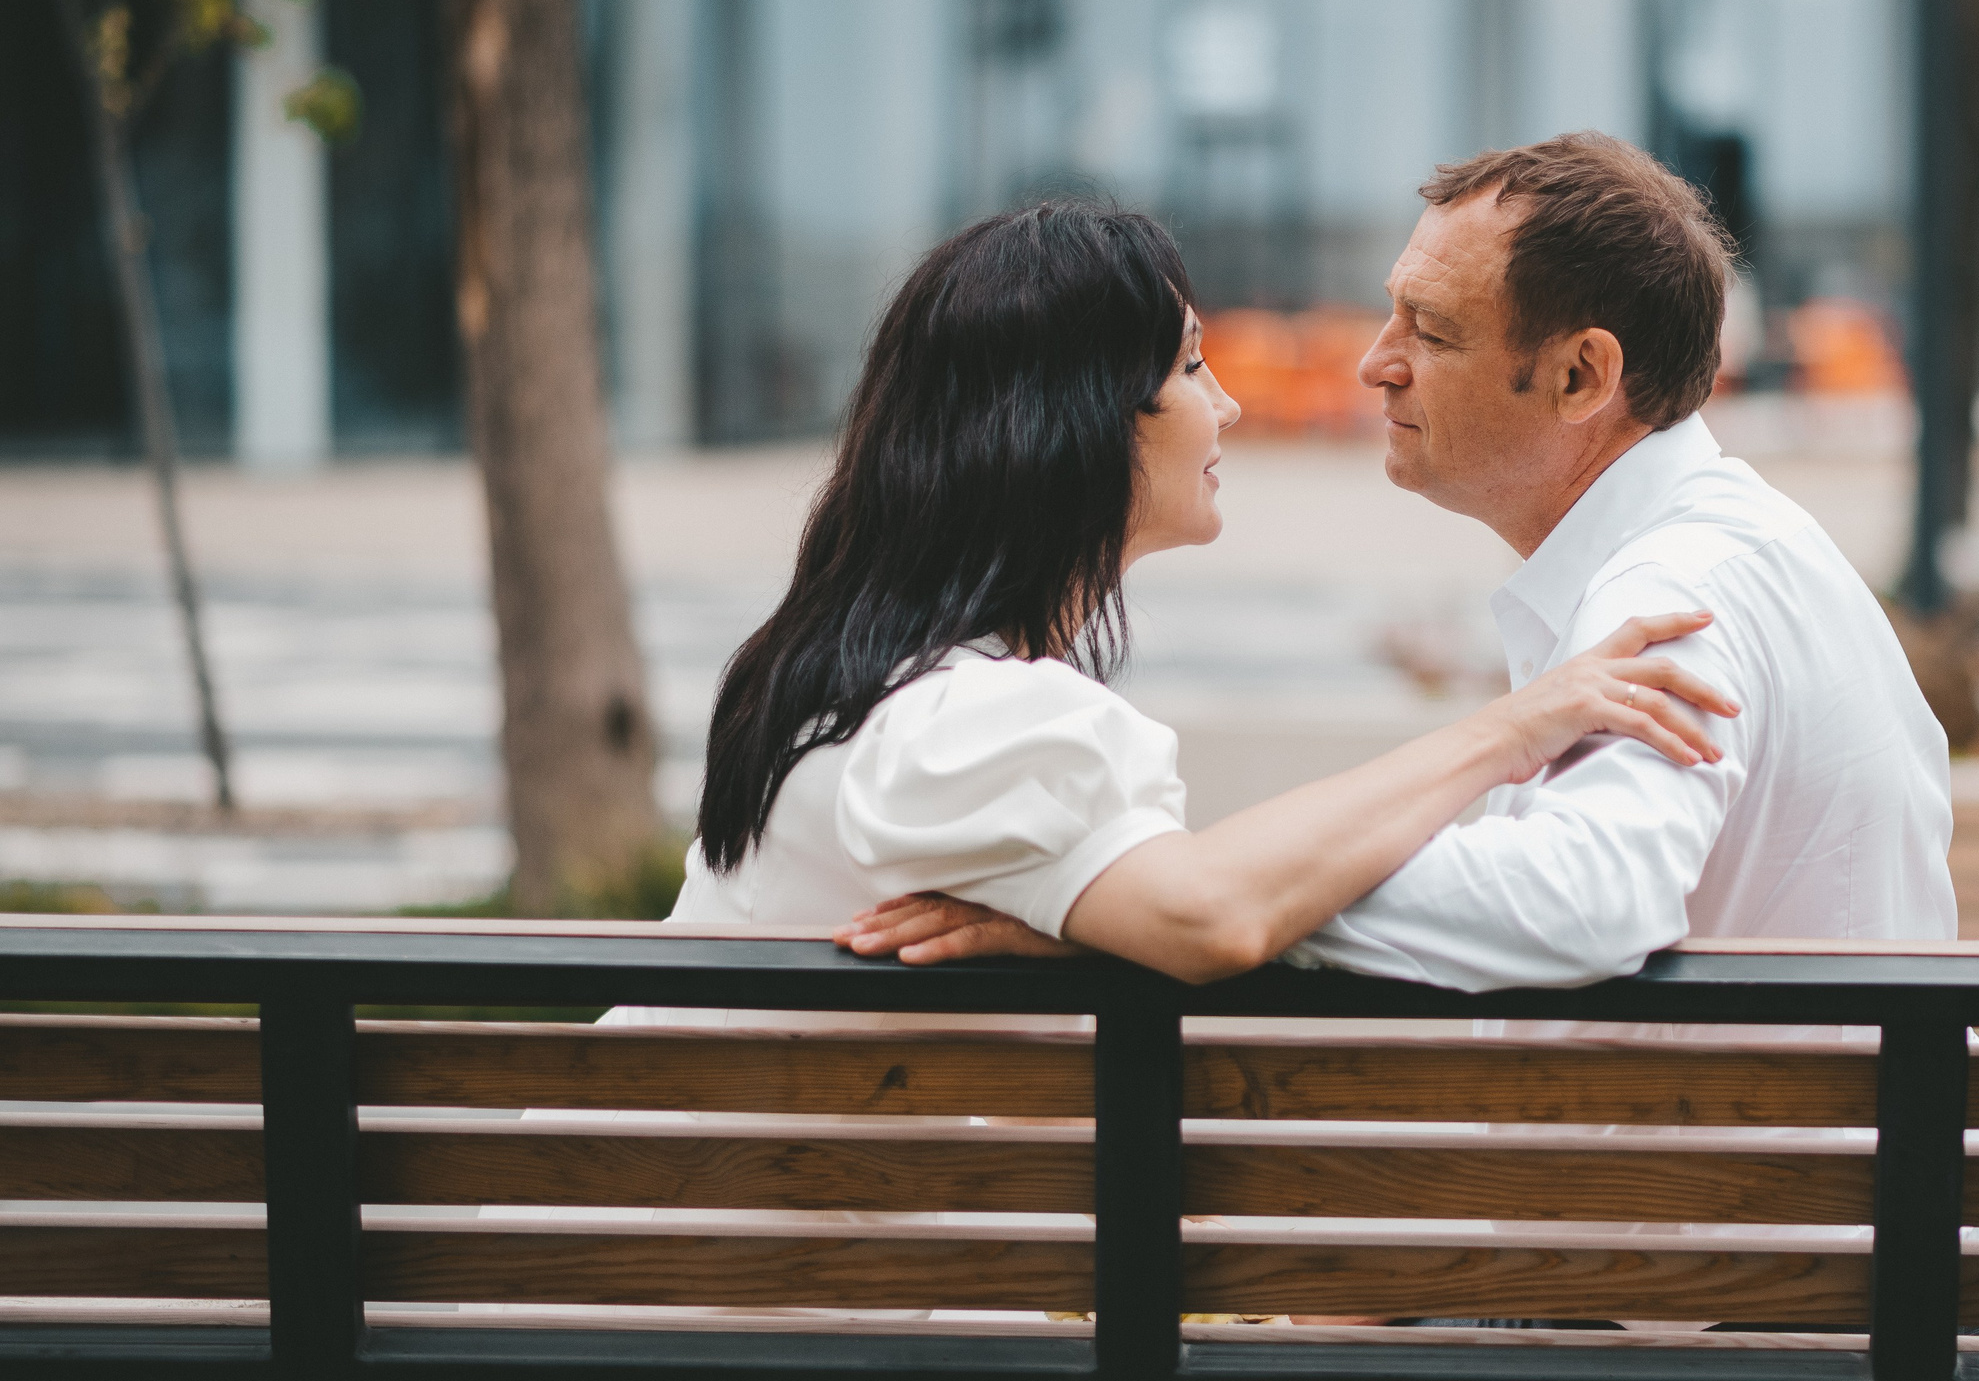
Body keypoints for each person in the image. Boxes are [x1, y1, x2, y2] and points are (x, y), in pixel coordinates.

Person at [845, 134, 1956, 1009]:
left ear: (1580, 375)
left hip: (1779, 1274)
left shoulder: (1672, 590)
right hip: (1812, 1236)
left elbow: (1584, 900)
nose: (1375, 365)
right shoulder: (1732, 545)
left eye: (1428, 330)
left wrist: (1145, 909)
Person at [657, 198, 1736, 988]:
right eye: (1186, 368)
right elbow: (1216, 913)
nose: (1225, 407)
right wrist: (1515, 728)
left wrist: (1085, 924)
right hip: (770, 1286)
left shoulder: (847, 685)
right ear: (1076, 422)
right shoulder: (974, 721)